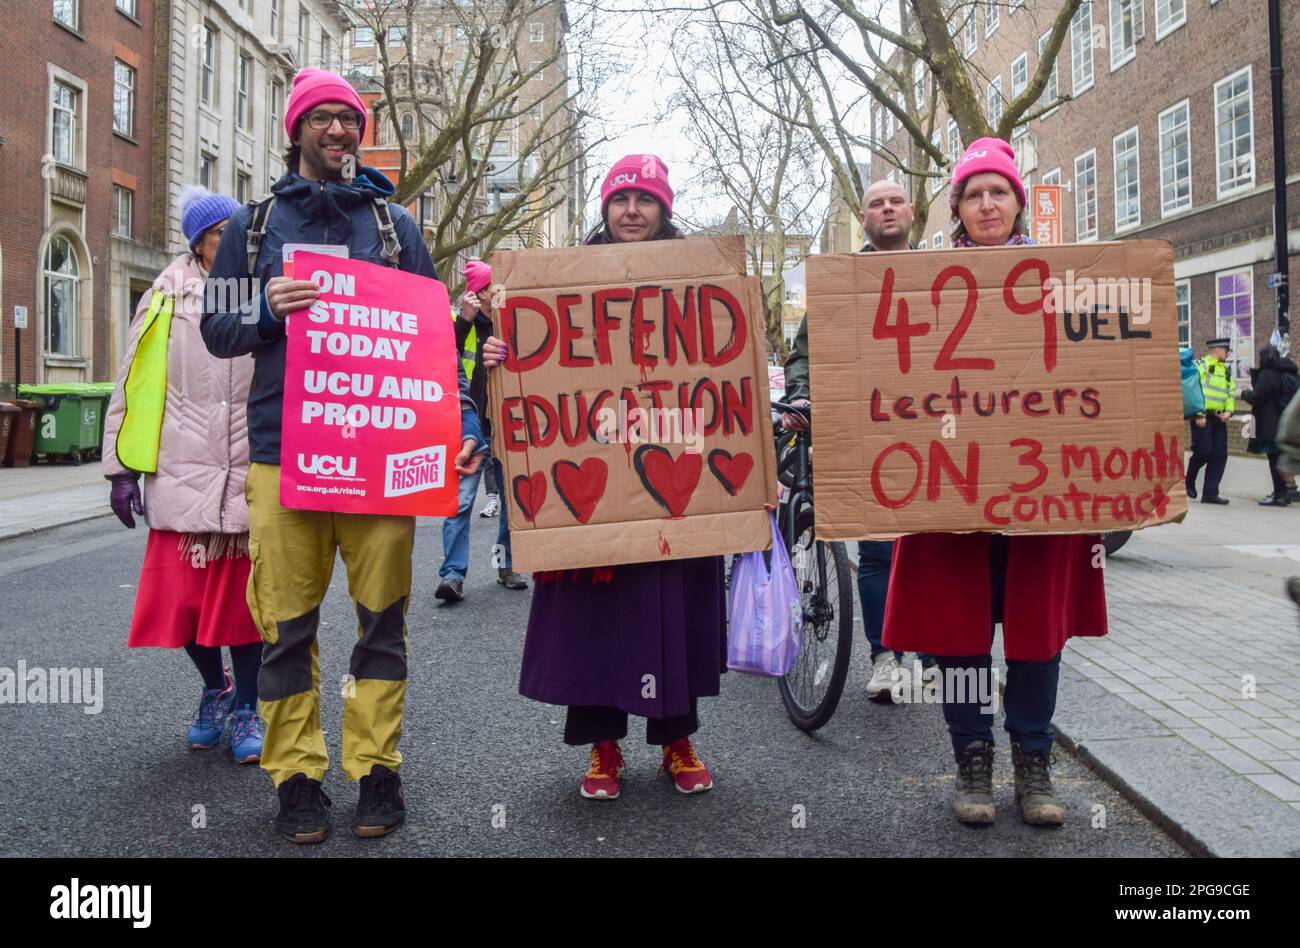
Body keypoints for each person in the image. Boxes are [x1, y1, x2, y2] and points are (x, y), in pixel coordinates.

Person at [201, 68, 485, 844]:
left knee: (380, 626)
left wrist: (462, 420)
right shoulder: (253, 228)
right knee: (285, 628)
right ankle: (296, 779)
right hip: (282, 456)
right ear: (294, 130)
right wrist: (265, 307)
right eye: (322, 118)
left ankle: (375, 768)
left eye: (349, 120)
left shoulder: (398, 230)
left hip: (382, 457)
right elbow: (215, 329)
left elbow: (433, 349)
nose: (337, 131)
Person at [882, 138, 1108, 828]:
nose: (986, 204)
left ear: (1017, 201)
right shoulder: (919, 280)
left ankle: (1033, 763)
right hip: (950, 486)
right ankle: (973, 758)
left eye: (998, 192)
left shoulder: (1064, 277)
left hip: (1043, 490)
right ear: (957, 205)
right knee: (959, 634)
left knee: (1038, 634)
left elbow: (1096, 373)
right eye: (973, 193)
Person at [482, 155, 724, 801]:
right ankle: (603, 745)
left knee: (672, 611)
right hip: (590, 471)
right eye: (621, 200)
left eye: (645, 200)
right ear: (605, 210)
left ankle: (677, 738)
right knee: (599, 615)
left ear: (663, 210)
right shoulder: (557, 282)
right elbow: (528, 371)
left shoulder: (700, 276)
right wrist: (500, 356)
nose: (632, 212)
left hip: (674, 473)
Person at [103, 186, 264, 765]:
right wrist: (121, 469)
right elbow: (134, 383)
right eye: (224, 232)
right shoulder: (164, 296)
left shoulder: (254, 291)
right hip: (181, 469)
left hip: (248, 470)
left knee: (245, 606)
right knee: (184, 603)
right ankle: (213, 687)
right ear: (199, 241)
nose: (235, 241)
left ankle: (247, 704)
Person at [782, 179, 935, 703]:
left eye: (895, 201)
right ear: (864, 218)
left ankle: (936, 656)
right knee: (877, 551)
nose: (887, 209)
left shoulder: (944, 275)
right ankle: (886, 658)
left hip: (936, 431)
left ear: (911, 212)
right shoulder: (839, 284)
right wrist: (802, 397)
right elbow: (803, 354)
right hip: (870, 434)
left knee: (936, 548)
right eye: (876, 204)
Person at [434, 258, 527, 602]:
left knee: (511, 501)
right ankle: (453, 575)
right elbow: (441, 359)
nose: (494, 294)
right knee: (460, 502)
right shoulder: (464, 324)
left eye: (496, 286)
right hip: (469, 427)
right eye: (488, 288)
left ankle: (506, 566)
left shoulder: (514, 321)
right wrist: (463, 322)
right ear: (477, 293)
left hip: (507, 426)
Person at [1238, 344, 1299, 506]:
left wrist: (1245, 394)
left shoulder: (1268, 374)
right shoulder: (1290, 373)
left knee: (1274, 459)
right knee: (1281, 458)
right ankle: (1285, 492)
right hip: (1286, 422)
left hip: (1270, 424)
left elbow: (1258, 397)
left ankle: (1279, 494)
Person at [1185, 338, 1236, 504]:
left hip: (1219, 418)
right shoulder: (1201, 365)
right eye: (1227, 351)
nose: (1227, 355)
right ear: (1218, 350)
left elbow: (1230, 393)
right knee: (1203, 452)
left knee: (1220, 454)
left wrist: (1229, 411)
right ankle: (1189, 480)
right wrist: (1198, 413)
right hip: (1202, 417)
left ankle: (1210, 493)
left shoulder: (1226, 371)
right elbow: (1192, 389)